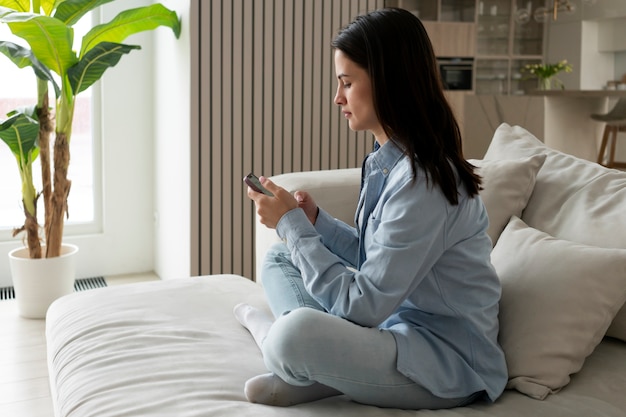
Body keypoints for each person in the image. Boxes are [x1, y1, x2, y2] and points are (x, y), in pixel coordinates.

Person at [235, 7, 508, 409]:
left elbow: (363, 305)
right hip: (392, 323)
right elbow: (374, 257)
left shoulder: (424, 183)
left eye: (347, 83)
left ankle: (280, 344)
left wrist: (294, 226)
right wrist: (316, 224)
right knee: (280, 257)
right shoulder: (388, 160)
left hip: (444, 363)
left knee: (295, 334)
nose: (337, 98)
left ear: (387, 83)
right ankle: (322, 369)